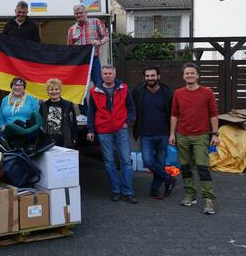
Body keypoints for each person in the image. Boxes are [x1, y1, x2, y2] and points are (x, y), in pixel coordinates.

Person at [169, 63, 219, 215]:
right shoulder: (178, 93)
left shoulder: (207, 92)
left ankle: (208, 199)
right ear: (183, 76)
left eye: (192, 73)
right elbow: (174, 115)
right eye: (187, 73)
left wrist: (215, 134)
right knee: (185, 167)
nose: (189, 75)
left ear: (198, 76)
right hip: (182, 135)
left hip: (201, 136)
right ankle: (190, 194)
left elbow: (213, 114)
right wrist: (172, 134)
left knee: (203, 168)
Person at [86, 65, 137, 204]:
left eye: (110, 73)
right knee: (109, 162)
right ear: (102, 75)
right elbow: (91, 112)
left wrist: (129, 120)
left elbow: (132, 107)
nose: (107, 75)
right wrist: (90, 130)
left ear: (115, 74)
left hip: (121, 128)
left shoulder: (124, 88)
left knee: (126, 160)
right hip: (103, 130)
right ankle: (116, 191)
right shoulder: (94, 91)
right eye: (105, 73)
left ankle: (128, 192)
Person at [132, 66, 176, 200]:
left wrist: (172, 133)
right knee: (148, 161)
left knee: (160, 164)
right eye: (147, 76)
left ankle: (155, 190)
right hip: (146, 134)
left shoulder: (167, 92)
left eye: (152, 76)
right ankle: (169, 179)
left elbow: (173, 114)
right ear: (144, 77)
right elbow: (131, 106)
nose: (150, 78)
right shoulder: (138, 91)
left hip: (163, 134)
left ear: (158, 76)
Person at [67, 3, 109, 87]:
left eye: (81, 12)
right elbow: (69, 48)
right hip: (80, 61)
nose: (79, 15)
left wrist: (99, 42)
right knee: (80, 85)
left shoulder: (96, 22)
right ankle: (84, 101)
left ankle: (98, 100)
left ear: (86, 13)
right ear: (74, 15)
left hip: (94, 59)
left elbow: (106, 37)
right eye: (76, 13)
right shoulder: (71, 30)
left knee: (98, 83)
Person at [40, 78, 78, 148]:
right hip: (47, 141)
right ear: (48, 92)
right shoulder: (43, 105)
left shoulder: (68, 105)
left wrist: (74, 138)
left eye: (56, 89)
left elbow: (73, 123)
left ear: (60, 90)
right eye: (51, 89)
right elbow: (40, 124)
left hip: (64, 140)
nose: (54, 92)